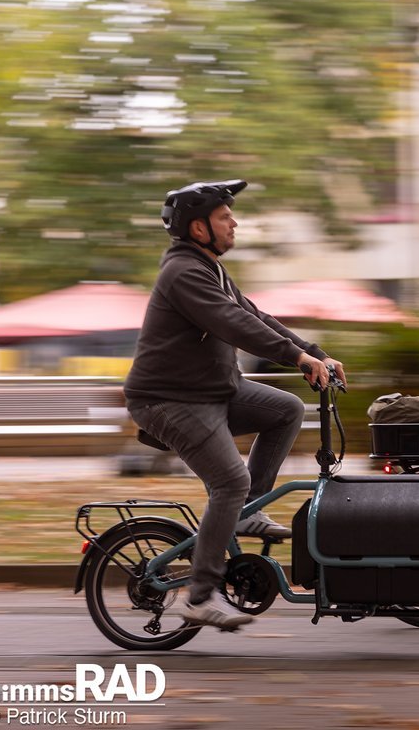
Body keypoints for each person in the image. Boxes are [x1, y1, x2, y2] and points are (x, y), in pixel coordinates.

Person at [124, 179, 347, 631]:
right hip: (170, 399)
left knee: (286, 410)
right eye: (225, 216)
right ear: (199, 227)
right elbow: (231, 324)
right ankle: (199, 596)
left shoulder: (210, 268)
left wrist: (313, 351)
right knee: (229, 480)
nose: (235, 222)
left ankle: (249, 511)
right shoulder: (183, 273)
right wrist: (296, 357)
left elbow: (254, 316)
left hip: (214, 391)